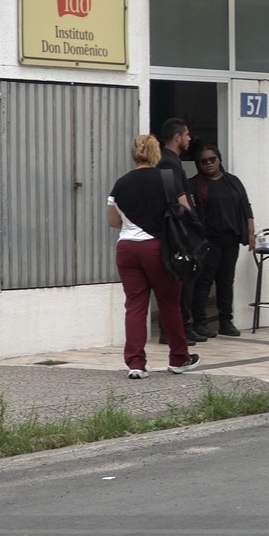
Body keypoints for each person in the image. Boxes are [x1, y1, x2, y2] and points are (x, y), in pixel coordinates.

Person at [107, 134, 200, 379]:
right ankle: (179, 358)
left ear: (134, 153)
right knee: (169, 304)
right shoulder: (167, 179)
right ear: (155, 153)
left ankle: (136, 364)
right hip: (158, 247)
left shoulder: (120, 183)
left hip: (127, 248)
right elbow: (186, 211)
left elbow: (113, 221)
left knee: (135, 306)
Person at [188, 146, 255, 338]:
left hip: (231, 238)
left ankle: (226, 321)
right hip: (208, 240)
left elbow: (246, 207)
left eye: (212, 159)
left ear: (219, 159)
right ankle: (200, 323)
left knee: (226, 281)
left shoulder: (232, 181)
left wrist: (251, 234)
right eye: (204, 161)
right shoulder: (194, 185)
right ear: (198, 164)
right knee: (204, 282)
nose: (209, 163)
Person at [156, 118, 203, 344]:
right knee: (180, 280)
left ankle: (184, 326)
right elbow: (178, 196)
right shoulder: (168, 162)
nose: (189, 139)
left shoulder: (173, 161)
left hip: (180, 228)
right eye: (186, 135)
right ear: (177, 137)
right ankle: (174, 329)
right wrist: (194, 224)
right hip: (179, 229)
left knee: (186, 280)